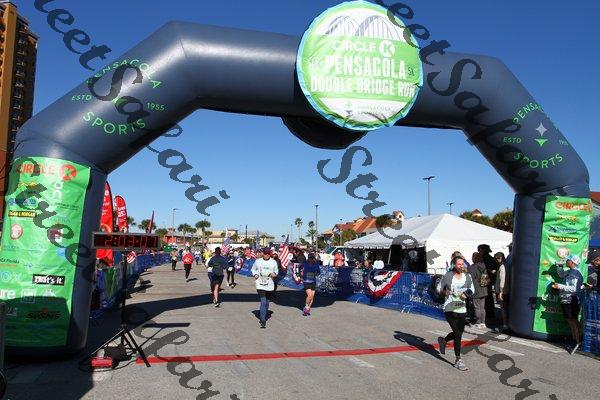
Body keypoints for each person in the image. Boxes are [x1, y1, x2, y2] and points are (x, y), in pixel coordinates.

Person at [437, 254, 475, 371]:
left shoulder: (467, 276)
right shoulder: (448, 276)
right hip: (450, 308)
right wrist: (446, 292)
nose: (461, 266)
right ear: (454, 265)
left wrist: (466, 294)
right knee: (458, 333)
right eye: (459, 264)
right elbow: (438, 289)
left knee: (458, 332)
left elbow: (472, 289)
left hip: (461, 308)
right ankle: (458, 360)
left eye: (462, 264)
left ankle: (443, 341)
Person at [552, 254, 584, 354]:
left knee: (573, 321)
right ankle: (575, 340)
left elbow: (574, 289)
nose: (566, 261)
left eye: (568, 260)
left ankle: (578, 342)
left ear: (573, 262)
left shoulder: (576, 273)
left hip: (572, 299)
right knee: (570, 321)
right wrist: (559, 266)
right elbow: (561, 275)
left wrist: (560, 286)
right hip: (566, 299)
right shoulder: (570, 271)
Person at [251, 248, 279, 328]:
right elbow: (253, 269)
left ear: (270, 254)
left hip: (269, 284)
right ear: (263, 253)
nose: (266, 255)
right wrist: (255, 274)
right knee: (263, 302)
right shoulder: (258, 261)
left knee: (267, 302)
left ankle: (264, 313)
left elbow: (276, 271)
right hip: (260, 284)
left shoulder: (273, 262)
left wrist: (274, 274)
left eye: (268, 254)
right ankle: (263, 320)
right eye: (265, 253)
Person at [468, 252, 489, 329]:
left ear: (475, 258)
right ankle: (483, 323)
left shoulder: (472, 267)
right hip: (483, 288)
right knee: (482, 307)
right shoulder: (484, 266)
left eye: (473, 257)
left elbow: (469, 278)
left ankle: (478, 322)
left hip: (476, 289)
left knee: (477, 307)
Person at [478, 244, 498, 317]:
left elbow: (485, 270)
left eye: (480, 250)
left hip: (484, 278)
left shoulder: (484, 258)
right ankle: (490, 313)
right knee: (489, 296)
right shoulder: (491, 258)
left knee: (485, 297)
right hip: (488, 279)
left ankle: (487, 313)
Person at [494, 252, 510, 332]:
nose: (496, 261)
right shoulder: (507, 265)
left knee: (503, 309)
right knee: (505, 308)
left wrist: (500, 292)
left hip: (503, 291)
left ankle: (505, 325)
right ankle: (506, 324)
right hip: (506, 290)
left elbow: (502, 280)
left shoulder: (502, 267)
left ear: (500, 258)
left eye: (497, 259)